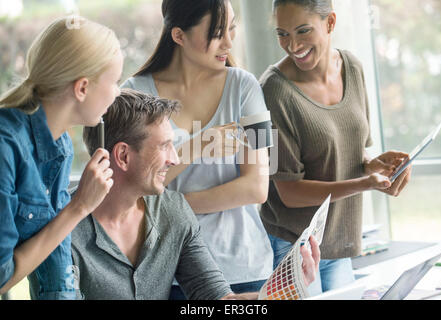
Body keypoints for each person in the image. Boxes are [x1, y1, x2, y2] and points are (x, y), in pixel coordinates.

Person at [72, 89, 320, 300]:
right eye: (164, 146)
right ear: (124, 156)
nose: (175, 159)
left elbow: (219, 300)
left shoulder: (173, 210)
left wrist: (285, 290)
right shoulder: (66, 227)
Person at [121, 0, 274, 298]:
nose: (228, 42)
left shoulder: (247, 88)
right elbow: (131, 187)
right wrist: (197, 146)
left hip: (245, 268)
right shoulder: (134, 94)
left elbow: (257, 187)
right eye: (217, 33)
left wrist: (167, 209)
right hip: (169, 274)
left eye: (231, 28)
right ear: (178, 36)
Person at [259, 0, 412, 295]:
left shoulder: (352, 68)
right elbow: (288, 193)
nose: (292, 45)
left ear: (330, 23)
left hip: (337, 243)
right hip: (294, 247)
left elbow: (350, 152)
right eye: (282, 34)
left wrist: (374, 165)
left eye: (303, 31)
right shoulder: (273, 91)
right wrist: (365, 183)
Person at [0, 16, 121, 299]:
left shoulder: (61, 146)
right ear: (82, 88)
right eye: (114, 82)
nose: (117, 93)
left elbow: (56, 269)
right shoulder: (5, 147)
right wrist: (79, 206)